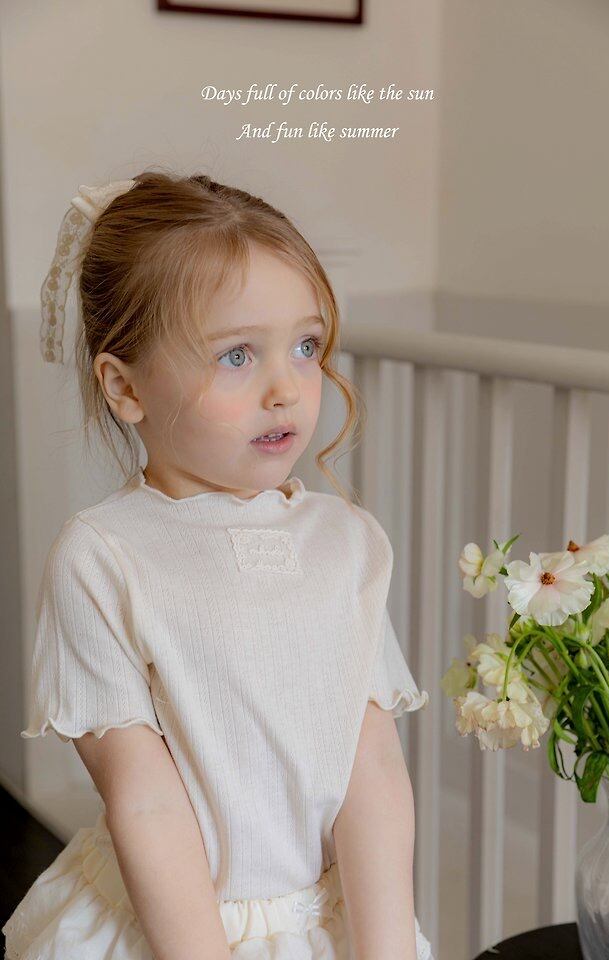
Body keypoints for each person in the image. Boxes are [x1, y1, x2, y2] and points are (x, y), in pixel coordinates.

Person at [2, 171, 434, 960]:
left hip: (327, 925)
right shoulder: (104, 559)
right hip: (179, 930)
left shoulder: (348, 544)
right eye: (237, 355)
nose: (286, 388)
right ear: (125, 387)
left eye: (305, 346)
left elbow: (371, 767)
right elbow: (145, 803)